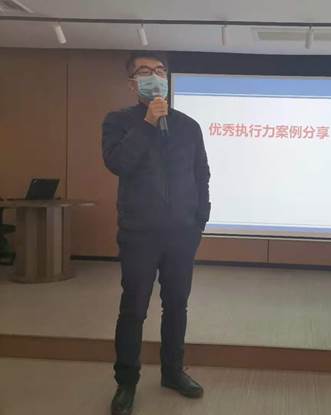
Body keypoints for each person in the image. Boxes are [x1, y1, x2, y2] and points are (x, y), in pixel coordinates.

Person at [102, 51, 211, 415]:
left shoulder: (188, 126)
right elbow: (118, 163)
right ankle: (126, 382)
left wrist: (200, 220)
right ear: (132, 83)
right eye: (145, 71)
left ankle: (173, 371)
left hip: (182, 233)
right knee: (133, 309)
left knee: (176, 305)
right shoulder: (118, 121)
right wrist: (148, 124)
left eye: (160, 70)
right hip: (139, 233)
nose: (155, 76)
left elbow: (201, 174)